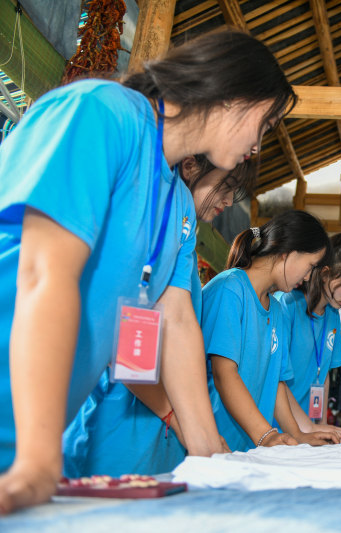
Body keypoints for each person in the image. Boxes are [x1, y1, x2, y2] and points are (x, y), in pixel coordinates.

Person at [0, 29, 295, 513]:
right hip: (27, 439)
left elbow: (176, 322)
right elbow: (43, 272)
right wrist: (37, 458)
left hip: (23, 437)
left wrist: (211, 456)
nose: (256, 146)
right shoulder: (102, 112)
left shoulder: (177, 200)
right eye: (263, 125)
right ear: (234, 98)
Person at [62, 155, 254, 477]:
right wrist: (180, 419)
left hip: (162, 421)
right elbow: (116, 335)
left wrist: (196, 427)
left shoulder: (184, 225)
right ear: (191, 165)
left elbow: (178, 321)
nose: (229, 200)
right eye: (227, 186)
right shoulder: (142, 199)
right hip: (121, 419)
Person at [203, 211, 341, 451]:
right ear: (288, 252)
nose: (308, 277)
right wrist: (265, 434)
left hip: (252, 448)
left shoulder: (275, 308)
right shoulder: (230, 289)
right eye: (310, 267)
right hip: (216, 441)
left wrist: (297, 434)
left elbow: (275, 382)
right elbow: (224, 373)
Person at [276, 233, 341, 437]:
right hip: (279, 426)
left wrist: (321, 424)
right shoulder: (287, 303)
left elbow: (323, 374)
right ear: (326, 273)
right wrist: (309, 428)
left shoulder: (333, 315)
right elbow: (274, 378)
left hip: (307, 428)